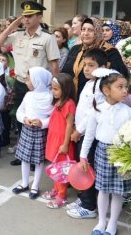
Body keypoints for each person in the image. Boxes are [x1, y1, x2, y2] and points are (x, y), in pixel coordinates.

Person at [0, 1, 60, 166]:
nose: (26, 19)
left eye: (30, 16)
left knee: (38, 120)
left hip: (40, 86)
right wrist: (13, 26)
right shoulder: (18, 35)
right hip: (21, 82)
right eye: (24, 16)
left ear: (39, 17)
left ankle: (36, 155)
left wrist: (54, 85)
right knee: (21, 118)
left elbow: (54, 64)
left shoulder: (47, 37)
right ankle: (22, 151)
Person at [80, 69, 131, 235]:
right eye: (120, 87)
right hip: (102, 152)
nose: (125, 90)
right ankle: (101, 221)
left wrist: (130, 161)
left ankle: (112, 223)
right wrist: (83, 156)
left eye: (126, 87)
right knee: (103, 189)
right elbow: (89, 136)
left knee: (118, 191)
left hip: (122, 154)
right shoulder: (97, 110)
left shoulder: (128, 111)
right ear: (106, 90)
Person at [66, 48, 108, 219]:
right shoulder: (90, 83)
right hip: (82, 132)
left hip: (88, 134)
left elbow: (93, 112)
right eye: (85, 64)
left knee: (87, 168)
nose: (86, 68)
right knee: (82, 165)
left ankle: (90, 206)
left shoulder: (100, 86)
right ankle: (84, 198)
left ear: (104, 67)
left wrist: (78, 130)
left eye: (91, 65)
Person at [12, 67, 54, 199]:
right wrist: (24, 119)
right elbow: (20, 111)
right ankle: (24, 183)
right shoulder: (28, 95)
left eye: (29, 79)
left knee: (38, 160)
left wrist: (42, 123)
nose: (26, 82)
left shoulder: (50, 97)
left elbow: (53, 117)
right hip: (27, 129)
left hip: (40, 132)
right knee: (24, 157)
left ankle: (35, 185)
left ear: (38, 81)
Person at [63, 17, 128, 99]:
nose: (85, 33)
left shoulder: (109, 51)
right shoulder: (75, 49)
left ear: (98, 32)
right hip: (71, 98)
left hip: (96, 99)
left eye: (90, 30)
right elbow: (65, 72)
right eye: (83, 29)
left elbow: (118, 77)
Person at [42, 73, 76, 209]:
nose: (53, 91)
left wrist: (65, 144)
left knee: (62, 169)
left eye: (56, 89)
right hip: (54, 139)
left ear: (66, 89)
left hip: (62, 141)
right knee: (56, 167)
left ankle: (61, 196)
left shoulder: (69, 104)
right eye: (52, 88)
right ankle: (56, 189)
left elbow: (69, 125)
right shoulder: (59, 102)